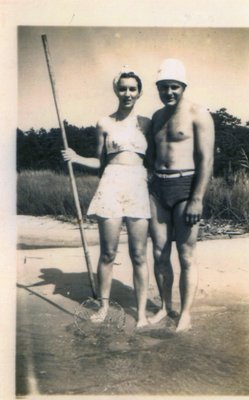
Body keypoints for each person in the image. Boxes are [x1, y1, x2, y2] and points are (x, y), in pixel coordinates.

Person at [62, 67, 151, 328]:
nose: (127, 93)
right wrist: (76, 157)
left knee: (139, 254)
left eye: (132, 88)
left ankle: (142, 313)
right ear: (116, 90)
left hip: (138, 185)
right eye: (123, 88)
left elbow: (158, 157)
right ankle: (102, 307)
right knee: (108, 253)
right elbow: (100, 162)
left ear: (139, 92)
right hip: (111, 184)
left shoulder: (146, 124)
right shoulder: (104, 123)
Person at [147, 58, 215, 332]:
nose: (169, 93)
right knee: (160, 252)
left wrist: (197, 198)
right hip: (158, 189)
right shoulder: (157, 117)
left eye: (174, 87)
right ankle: (166, 306)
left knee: (185, 255)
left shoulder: (199, 113)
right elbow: (150, 156)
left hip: (186, 187)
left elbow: (206, 160)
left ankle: (185, 313)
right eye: (163, 88)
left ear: (183, 86)